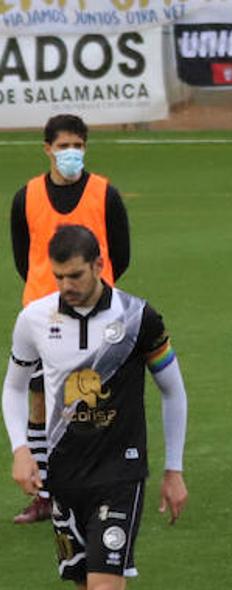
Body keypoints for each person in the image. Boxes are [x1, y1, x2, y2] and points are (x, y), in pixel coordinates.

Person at [2, 224, 187, 590]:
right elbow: (14, 387)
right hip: (64, 479)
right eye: (59, 276)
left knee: (106, 589)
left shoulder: (138, 318)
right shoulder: (34, 319)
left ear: (99, 265)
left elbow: (173, 390)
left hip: (120, 473)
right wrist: (21, 450)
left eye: (76, 275)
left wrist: (173, 469)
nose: (67, 285)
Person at [9, 114, 130, 524]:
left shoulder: (105, 193)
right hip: (44, 317)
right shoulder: (25, 197)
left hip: (98, 316)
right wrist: (49, 295)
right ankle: (44, 493)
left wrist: (92, 292)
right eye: (63, 146)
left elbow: (120, 254)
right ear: (47, 149)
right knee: (40, 401)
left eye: (78, 145)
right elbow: (24, 258)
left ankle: (103, 485)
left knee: (97, 401)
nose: (71, 153)